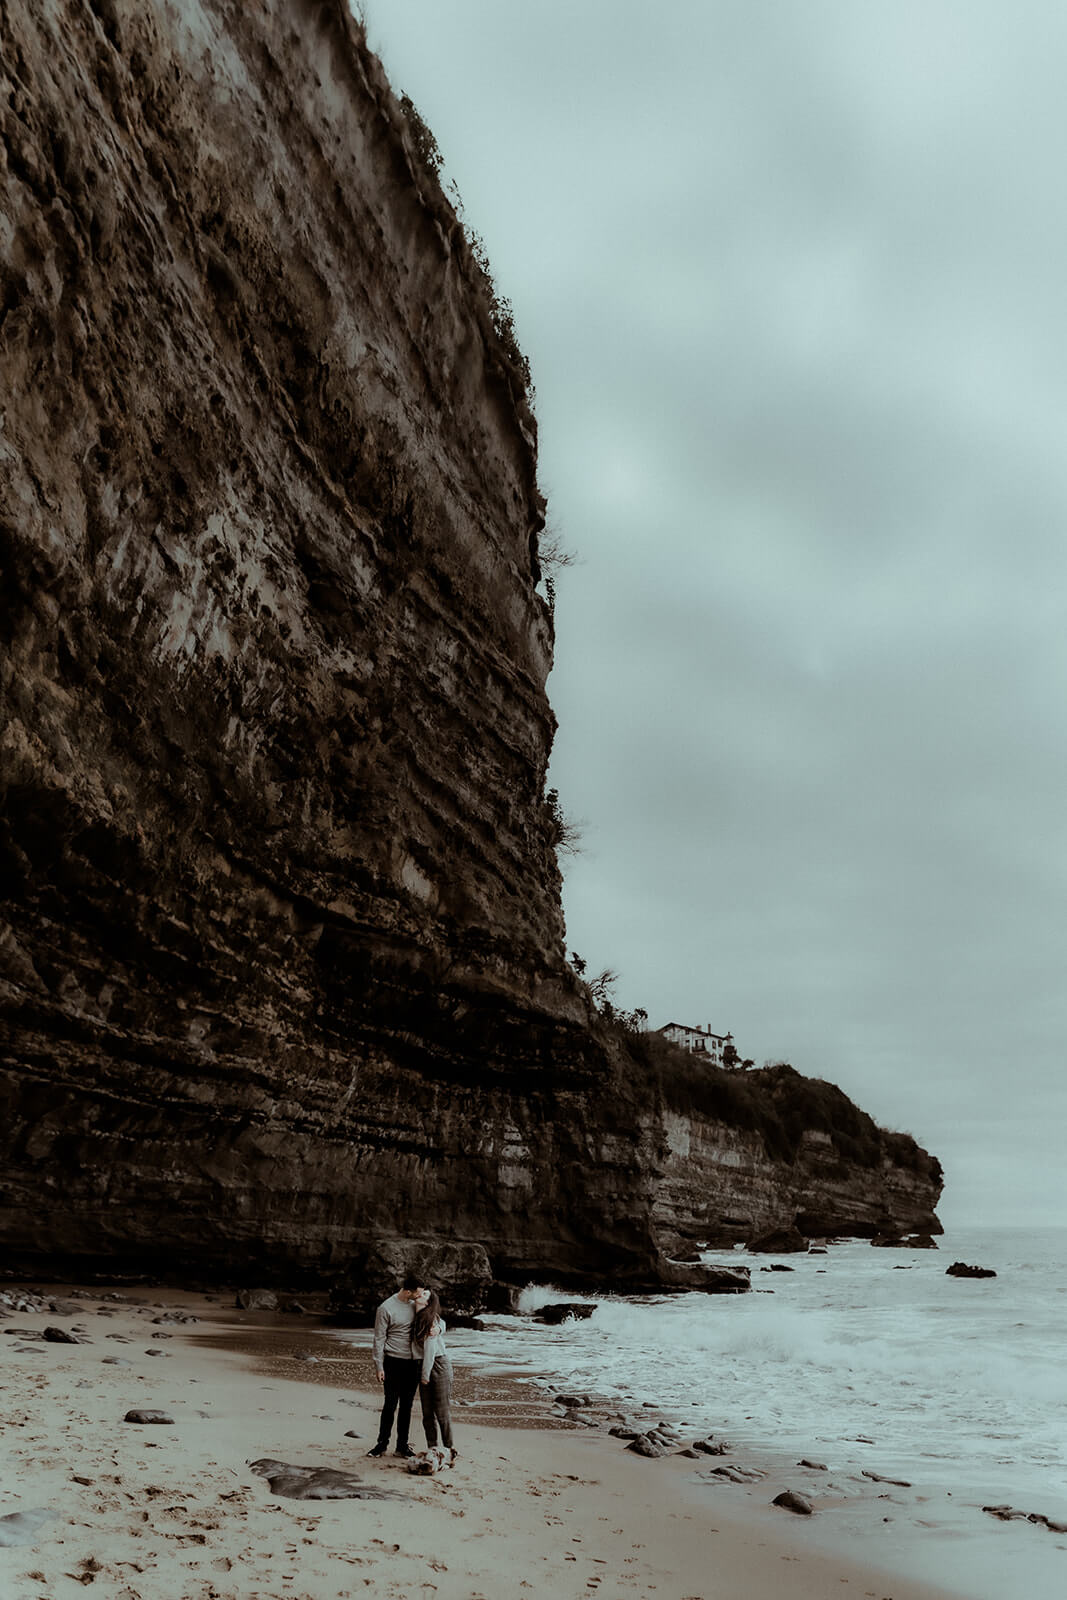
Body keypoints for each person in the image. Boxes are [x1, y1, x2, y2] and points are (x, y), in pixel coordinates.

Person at [367, 1273, 426, 1458]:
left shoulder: (417, 1305)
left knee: (407, 1406)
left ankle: (402, 1446)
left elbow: (435, 1319)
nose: (420, 1297)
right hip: (393, 1361)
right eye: (418, 1293)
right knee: (390, 1404)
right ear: (407, 1291)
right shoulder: (386, 1308)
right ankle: (381, 1444)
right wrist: (379, 1366)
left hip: (413, 1363)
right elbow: (379, 1338)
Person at [411, 1289, 456, 1461]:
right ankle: (433, 1449)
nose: (419, 1295)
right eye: (421, 1293)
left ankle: (449, 1450)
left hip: (437, 1365)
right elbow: (442, 1322)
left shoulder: (430, 1319)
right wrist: (441, 1327)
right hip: (423, 1365)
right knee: (427, 1413)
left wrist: (425, 1375)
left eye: (424, 1295)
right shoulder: (413, 1311)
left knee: (441, 1412)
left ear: (428, 1303)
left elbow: (430, 1350)